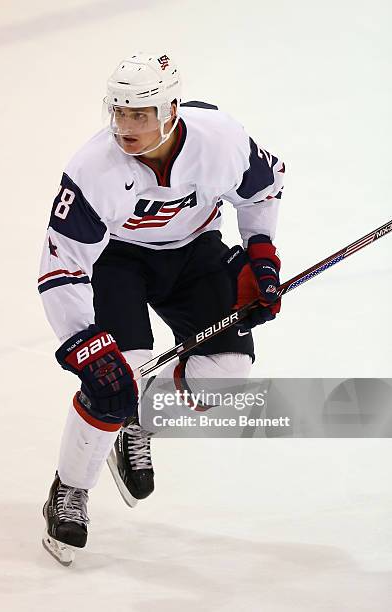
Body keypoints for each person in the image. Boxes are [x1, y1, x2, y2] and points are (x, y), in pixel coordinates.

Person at [38, 52, 285, 564]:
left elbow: (264, 188)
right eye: (119, 112)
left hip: (195, 253)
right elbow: (60, 267)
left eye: (139, 114)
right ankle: (69, 490)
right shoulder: (92, 170)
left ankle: (139, 418)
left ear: (170, 109)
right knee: (110, 383)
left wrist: (260, 257)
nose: (125, 126)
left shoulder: (221, 138)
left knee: (227, 377)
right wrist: (84, 343)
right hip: (119, 262)